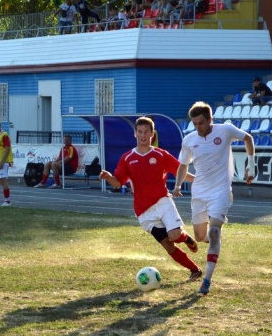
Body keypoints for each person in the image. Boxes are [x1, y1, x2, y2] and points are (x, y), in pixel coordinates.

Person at [99, 117, 203, 283]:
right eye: (139, 131)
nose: (143, 135)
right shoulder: (127, 158)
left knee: (175, 236)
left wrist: (200, 179)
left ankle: (186, 238)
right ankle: (195, 270)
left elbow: (180, 172)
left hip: (163, 201)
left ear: (152, 134)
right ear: (135, 134)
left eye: (146, 132)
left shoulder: (160, 155)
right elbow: (118, 182)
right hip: (143, 211)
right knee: (168, 245)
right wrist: (108, 177)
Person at [172, 101, 255, 295]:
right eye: (194, 124)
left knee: (215, 231)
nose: (198, 127)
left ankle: (207, 279)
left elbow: (248, 138)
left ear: (210, 120)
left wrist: (251, 165)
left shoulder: (225, 130)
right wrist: (177, 185)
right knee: (201, 236)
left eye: (201, 123)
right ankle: (213, 242)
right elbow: (183, 165)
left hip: (221, 191)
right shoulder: (190, 139)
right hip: (200, 192)